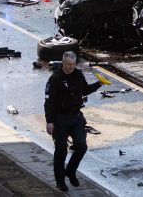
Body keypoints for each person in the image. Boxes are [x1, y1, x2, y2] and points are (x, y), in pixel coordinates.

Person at [44, 51, 103, 191]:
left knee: (81, 146)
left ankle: (70, 171)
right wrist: (49, 121)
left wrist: (99, 83)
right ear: (63, 63)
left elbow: (85, 90)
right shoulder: (55, 79)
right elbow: (49, 102)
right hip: (60, 119)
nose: (71, 67)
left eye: (73, 64)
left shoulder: (77, 74)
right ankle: (60, 181)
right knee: (61, 150)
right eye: (68, 64)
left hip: (76, 117)